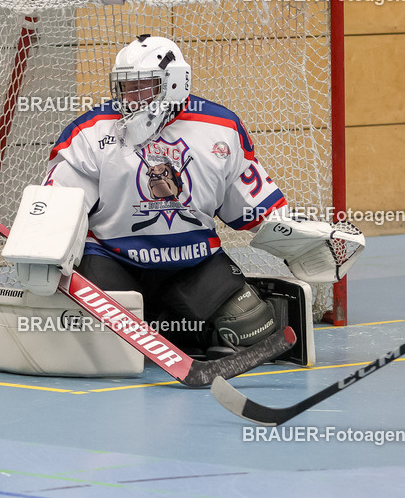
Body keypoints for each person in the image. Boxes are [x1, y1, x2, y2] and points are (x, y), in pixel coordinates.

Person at [26, 34, 361, 362]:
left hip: (192, 262)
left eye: (143, 86)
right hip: (113, 261)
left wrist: (305, 240)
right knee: (91, 341)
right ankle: (159, 326)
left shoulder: (221, 128)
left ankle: (177, 330)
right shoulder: (90, 132)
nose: (132, 97)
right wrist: (41, 253)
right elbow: (58, 207)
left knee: (252, 326)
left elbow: (256, 209)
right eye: (126, 87)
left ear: (174, 82)